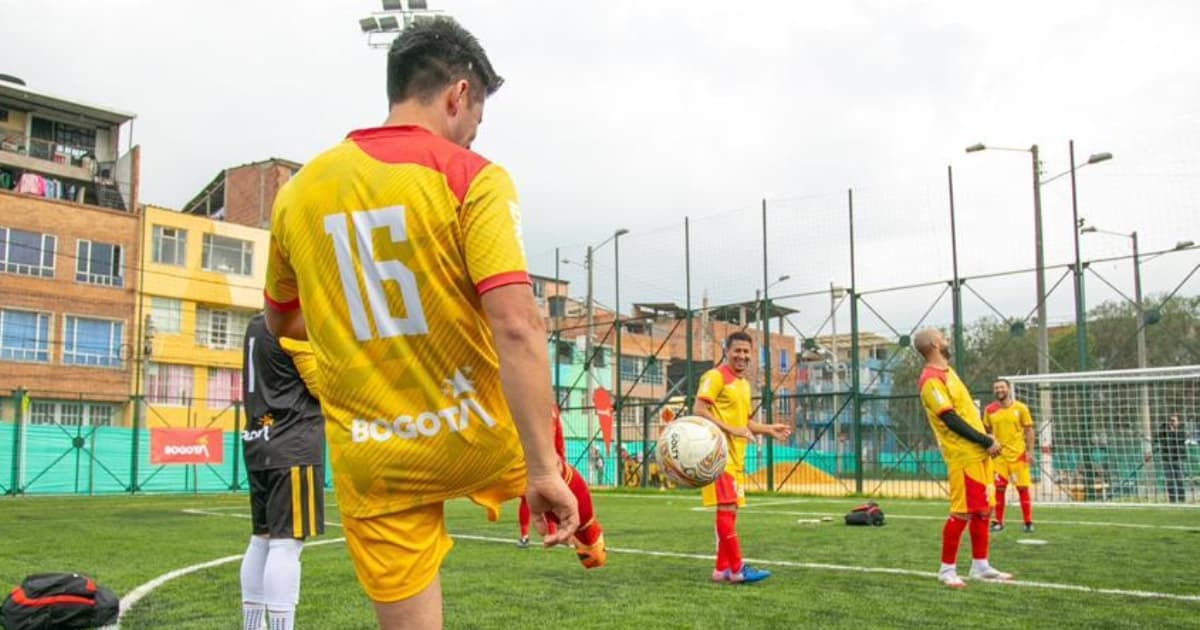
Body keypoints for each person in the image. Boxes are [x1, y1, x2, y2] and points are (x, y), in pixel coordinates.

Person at [262, 18, 596, 629]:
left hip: (375, 453)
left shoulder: (297, 194)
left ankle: (563, 499)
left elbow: (283, 320)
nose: (471, 135)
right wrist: (542, 468)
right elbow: (518, 326)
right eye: (476, 119)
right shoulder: (473, 177)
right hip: (480, 435)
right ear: (458, 95)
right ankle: (582, 525)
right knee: (548, 450)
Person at [239, 313, 325, 630]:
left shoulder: (256, 323)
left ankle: (252, 625)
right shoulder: (295, 323)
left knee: (261, 539)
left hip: (258, 441)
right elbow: (321, 386)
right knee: (287, 545)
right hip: (293, 444)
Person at [913, 328, 1012, 588]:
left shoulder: (948, 372)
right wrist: (985, 440)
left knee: (983, 510)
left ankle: (981, 565)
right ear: (935, 343)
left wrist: (987, 438)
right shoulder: (931, 380)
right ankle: (946, 570)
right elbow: (950, 419)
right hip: (963, 455)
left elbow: (967, 413)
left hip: (979, 452)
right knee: (962, 512)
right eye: (943, 336)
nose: (947, 339)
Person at [694, 331, 792, 584]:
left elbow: (744, 422)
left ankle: (721, 569)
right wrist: (730, 429)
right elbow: (699, 409)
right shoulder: (715, 377)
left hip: (737, 457)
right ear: (726, 351)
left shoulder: (744, 385)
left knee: (732, 510)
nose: (742, 356)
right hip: (716, 456)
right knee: (726, 509)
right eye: (737, 350)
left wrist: (769, 428)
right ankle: (737, 569)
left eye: (747, 352)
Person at [518, 407, 602, 553]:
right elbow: (559, 439)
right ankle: (539, 533)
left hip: (536, 462)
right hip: (542, 462)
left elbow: (558, 438)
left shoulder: (550, 407)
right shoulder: (551, 407)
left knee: (536, 500)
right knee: (543, 500)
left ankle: (532, 535)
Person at [983, 378, 1036, 533]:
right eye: (996, 388)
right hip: (998, 457)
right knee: (999, 489)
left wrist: (1030, 451)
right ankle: (998, 522)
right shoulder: (989, 410)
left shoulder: (1021, 408)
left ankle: (1028, 522)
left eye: (1002, 387)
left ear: (1008, 389)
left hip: (1018, 455)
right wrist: (989, 442)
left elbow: (1029, 430)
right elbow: (985, 430)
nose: (999, 390)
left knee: (1023, 488)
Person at [1156, 415, 1188, 503]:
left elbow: (1178, 440)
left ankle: (1182, 500)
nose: (1172, 422)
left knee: (1180, 480)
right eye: (1170, 420)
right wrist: (1165, 429)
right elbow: (1158, 438)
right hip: (1166, 459)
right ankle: (1172, 500)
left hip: (1177, 459)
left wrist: (1172, 431)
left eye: (1174, 420)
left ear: (1178, 422)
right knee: (1169, 480)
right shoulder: (1165, 431)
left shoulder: (1181, 431)